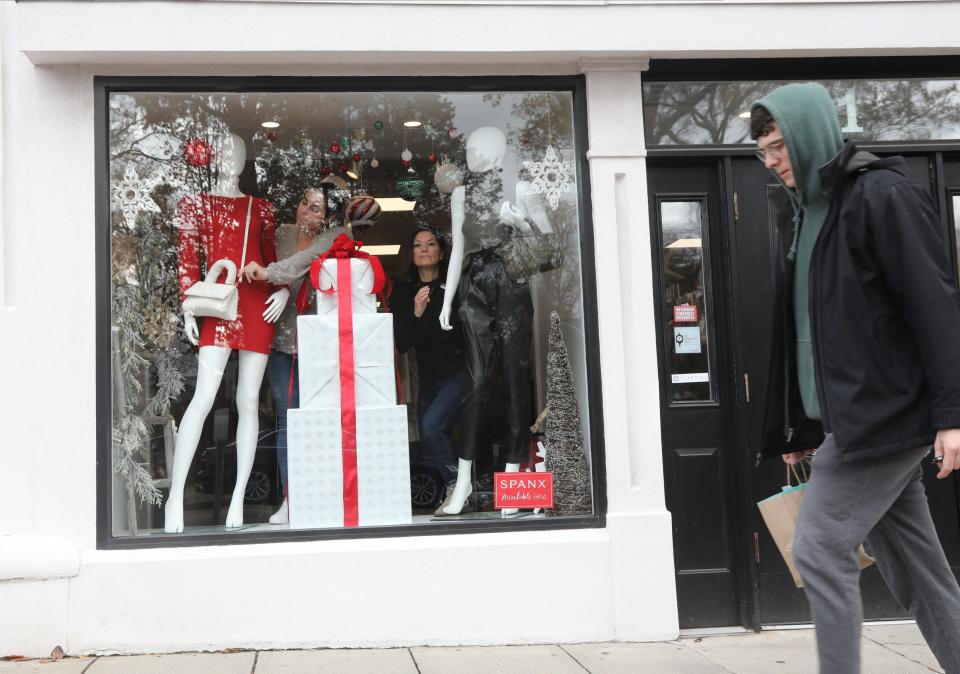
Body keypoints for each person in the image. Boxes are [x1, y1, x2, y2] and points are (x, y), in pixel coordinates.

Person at [752, 82, 960, 673]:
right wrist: (795, 424)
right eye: (763, 152)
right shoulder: (804, 216)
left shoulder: (879, 195)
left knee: (818, 550)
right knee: (918, 572)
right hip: (849, 422)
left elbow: (935, 306)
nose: (771, 162)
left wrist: (953, 414)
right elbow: (802, 333)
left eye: (777, 146)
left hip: (884, 419)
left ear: (807, 135)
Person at [242, 182, 350, 525]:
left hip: (318, 344)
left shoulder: (335, 236)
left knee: (321, 419)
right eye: (304, 202)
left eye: (315, 208)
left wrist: (281, 282)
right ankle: (292, 497)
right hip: (280, 342)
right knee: (288, 421)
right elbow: (260, 253)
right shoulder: (283, 233)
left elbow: (307, 262)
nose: (305, 210)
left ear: (329, 215)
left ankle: (327, 493)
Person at [392, 226, 465, 470]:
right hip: (428, 377)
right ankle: (455, 487)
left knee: (431, 427)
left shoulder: (456, 288)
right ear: (411, 254)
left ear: (442, 253)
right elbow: (402, 343)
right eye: (417, 245)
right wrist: (416, 312)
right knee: (429, 435)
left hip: (459, 373)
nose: (424, 248)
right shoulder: (403, 292)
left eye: (431, 243)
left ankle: (456, 486)